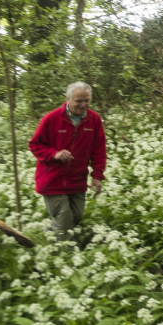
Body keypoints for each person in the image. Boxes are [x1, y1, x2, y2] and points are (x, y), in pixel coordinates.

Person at [29, 82, 106, 243]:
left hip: (77, 179)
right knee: (64, 218)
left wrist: (97, 175)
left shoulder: (94, 120)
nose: (83, 105)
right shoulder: (51, 118)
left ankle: (46, 237)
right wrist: (54, 154)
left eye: (87, 100)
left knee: (76, 216)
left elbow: (99, 150)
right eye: (79, 101)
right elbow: (35, 144)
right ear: (68, 99)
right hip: (52, 179)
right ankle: (68, 256)